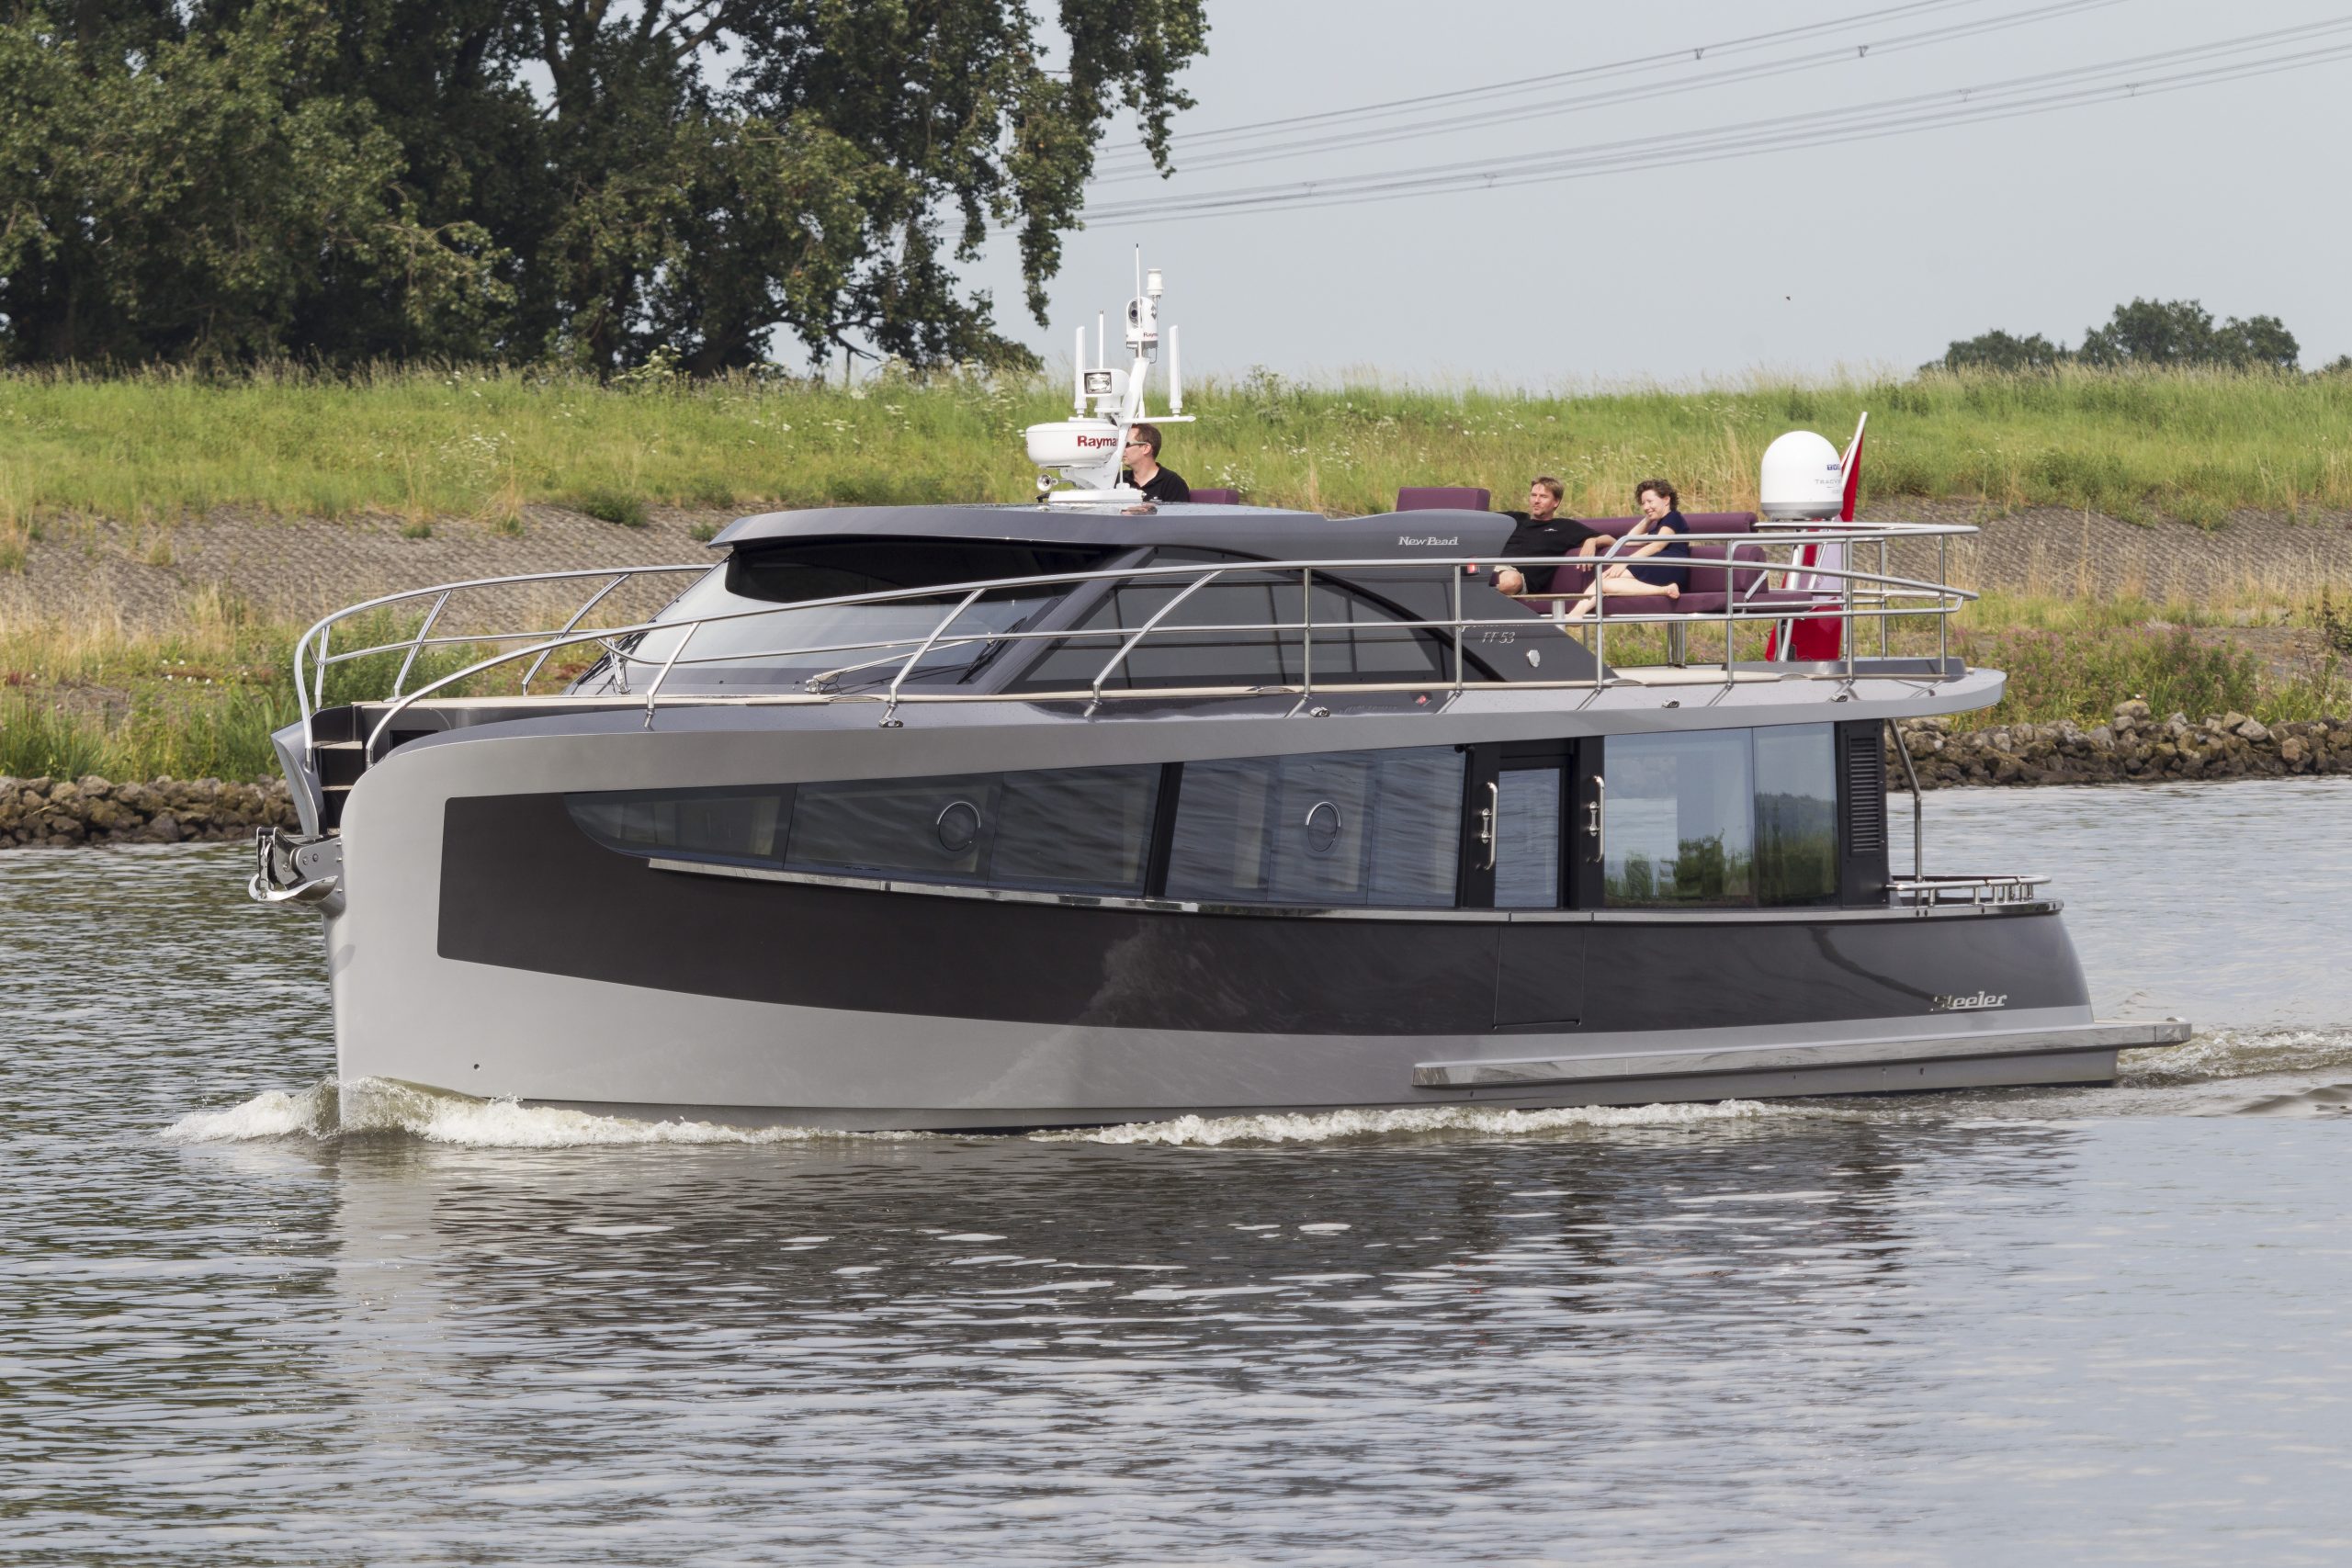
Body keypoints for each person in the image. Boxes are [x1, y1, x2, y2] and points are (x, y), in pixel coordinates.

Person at [1561, 478, 1690, 622]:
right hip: (1660, 566)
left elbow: (1657, 545)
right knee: (1603, 582)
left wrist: (1625, 562)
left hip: (1669, 565)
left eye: (1650, 501)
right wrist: (1648, 518)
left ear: (1666, 500)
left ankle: (1576, 614)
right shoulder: (1659, 526)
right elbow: (1630, 540)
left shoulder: (1673, 517)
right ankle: (1576, 614)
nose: (1646, 506)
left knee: (1603, 580)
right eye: (1643, 503)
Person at [1488, 477, 1614, 603]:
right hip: (1490, 566)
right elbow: (1480, 519)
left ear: (1556, 502)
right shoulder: (1514, 518)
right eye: (1533, 495)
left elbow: (1612, 541)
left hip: (1516, 580)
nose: (1536, 501)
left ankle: (1478, 593)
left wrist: (1592, 541)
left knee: (1512, 581)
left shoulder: (1564, 527)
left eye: (1543, 497)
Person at [1120, 423, 1191, 502]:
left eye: (1126, 444)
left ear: (1146, 448)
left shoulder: (1172, 483)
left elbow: (1178, 510)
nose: (1121, 449)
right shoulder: (1118, 479)